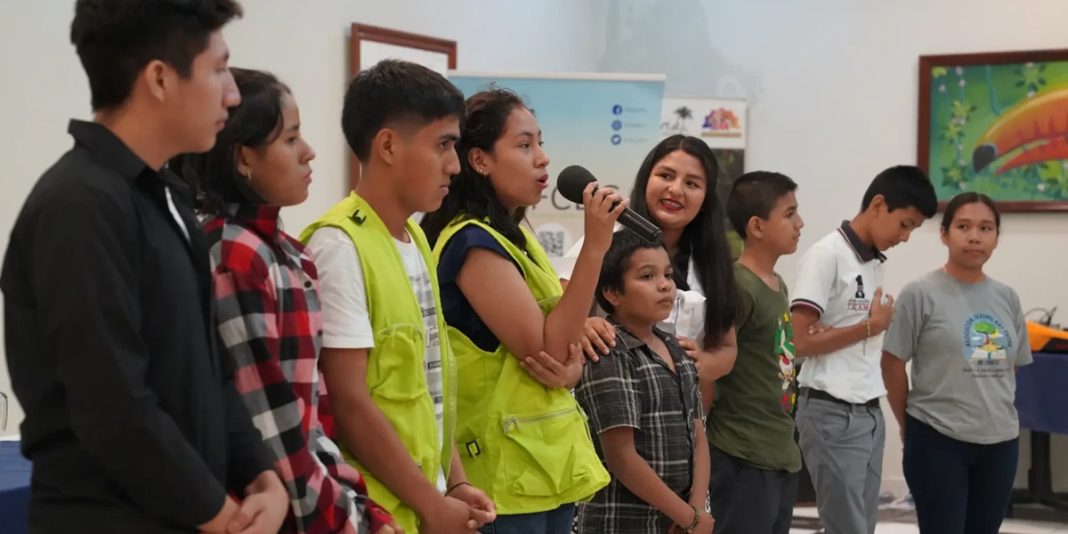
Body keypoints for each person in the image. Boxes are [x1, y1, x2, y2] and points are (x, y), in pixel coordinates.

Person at [1, 1, 289, 532]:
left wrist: (261, 475)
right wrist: (219, 514)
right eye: (219, 68)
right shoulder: (80, 205)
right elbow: (113, 405)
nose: (231, 93)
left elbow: (209, 368)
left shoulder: (168, 197)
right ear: (159, 78)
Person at [172, 67, 397, 534]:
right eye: (290, 139)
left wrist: (360, 506)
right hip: (269, 512)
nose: (310, 152)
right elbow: (269, 428)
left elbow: (312, 420)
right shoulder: (234, 254)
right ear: (243, 159)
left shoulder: (287, 251)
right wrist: (349, 520)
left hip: (314, 498)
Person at [301, 59, 494, 534]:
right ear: (387, 145)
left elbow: (426, 389)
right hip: (375, 512)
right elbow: (349, 404)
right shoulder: (338, 245)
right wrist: (431, 503)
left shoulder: (414, 236)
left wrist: (454, 483)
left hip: (423, 503)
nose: (454, 164)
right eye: (444, 145)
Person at [421, 87, 615, 533]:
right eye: (524, 145)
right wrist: (595, 250)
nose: (543, 158)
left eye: (540, 143)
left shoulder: (513, 235)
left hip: (541, 467)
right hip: (498, 476)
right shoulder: (472, 241)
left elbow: (562, 347)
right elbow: (546, 344)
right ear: (480, 160)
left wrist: (573, 368)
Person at [789, 165, 937, 534]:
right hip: (830, 411)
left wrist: (851, 331)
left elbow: (836, 336)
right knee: (848, 528)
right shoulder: (827, 255)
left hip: (869, 411)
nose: (905, 237)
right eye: (904, 224)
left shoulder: (872, 261)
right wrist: (868, 327)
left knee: (862, 526)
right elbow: (799, 341)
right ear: (878, 204)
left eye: (913, 230)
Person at [881, 192, 1031, 534]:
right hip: (936, 439)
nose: (975, 236)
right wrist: (908, 423)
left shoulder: (1007, 297)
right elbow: (892, 363)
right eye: (963, 226)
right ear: (945, 234)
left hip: (1000, 443)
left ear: (996, 237)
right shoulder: (919, 293)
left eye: (985, 228)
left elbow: (1014, 365)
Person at [559, 135, 737, 414]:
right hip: (605, 410)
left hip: (682, 422)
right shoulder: (604, 237)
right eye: (665, 175)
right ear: (646, 180)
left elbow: (727, 348)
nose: (675, 190)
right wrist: (585, 324)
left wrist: (701, 363)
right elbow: (558, 307)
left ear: (705, 200)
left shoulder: (712, 261)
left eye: (692, 183)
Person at [574, 231, 711, 534]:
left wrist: (697, 509)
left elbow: (698, 432)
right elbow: (621, 457)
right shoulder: (608, 351)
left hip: (679, 520)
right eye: (647, 276)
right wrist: (689, 518)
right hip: (621, 522)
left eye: (667, 274)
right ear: (612, 292)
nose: (665, 285)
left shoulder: (676, 347)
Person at [707, 171, 804, 534]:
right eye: (790, 214)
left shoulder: (776, 283)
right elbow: (711, 367)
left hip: (779, 452)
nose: (800, 223)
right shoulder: (738, 287)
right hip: (742, 454)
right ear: (757, 227)